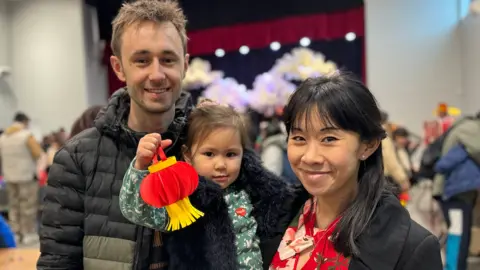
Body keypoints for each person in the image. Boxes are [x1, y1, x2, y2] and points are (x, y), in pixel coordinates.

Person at [37, 1, 193, 269]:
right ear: (119, 67)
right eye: (142, 60)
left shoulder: (210, 148)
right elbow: (58, 263)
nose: (156, 74)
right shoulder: (76, 159)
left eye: (167, 59)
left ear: (185, 65)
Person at [269, 74, 442, 270]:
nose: (310, 157)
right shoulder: (272, 222)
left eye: (329, 139)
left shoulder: (412, 248)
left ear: (367, 146)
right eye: (299, 138)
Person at [120, 100, 301, 269]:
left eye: (230, 154)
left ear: (243, 154)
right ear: (188, 156)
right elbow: (136, 210)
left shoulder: (251, 193)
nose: (221, 165)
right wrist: (140, 166)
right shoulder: (182, 199)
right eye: (209, 154)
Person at [433, 111, 480, 270]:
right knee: (458, 234)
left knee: (460, 234)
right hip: (455, 193)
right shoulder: (471, 129)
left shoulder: (466, 128)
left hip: (459, 193)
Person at [0, 112, 43, 245]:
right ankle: (28, 233)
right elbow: (38, 154)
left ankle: (16, 232)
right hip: (26, 176)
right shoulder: (26, 136)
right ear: (24, 122)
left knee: (13, 205)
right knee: (27, 205)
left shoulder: (2, 137)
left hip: (9, 176)